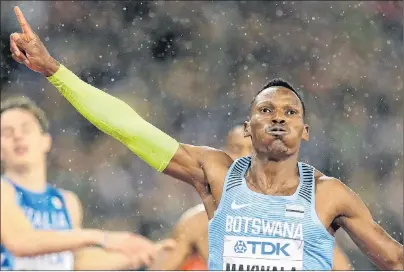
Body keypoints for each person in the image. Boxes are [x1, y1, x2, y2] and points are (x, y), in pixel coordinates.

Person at [9, 6, 403, 271]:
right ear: (248, 129)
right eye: (266, 110)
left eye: (291, 112)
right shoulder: (216, 175)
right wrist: (56, 72)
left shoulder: (329, 195)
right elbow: (129, 128)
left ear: (306, 130)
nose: (279, 118)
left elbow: (394, 259)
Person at [0, 96, 175, 270]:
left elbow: (76, 261)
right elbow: (20, 242)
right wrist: (101, 238)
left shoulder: (67, 201)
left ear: (46, 141)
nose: (17, 136)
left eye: (26, 129)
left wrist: (140, 254)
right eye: (7, 132)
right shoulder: (3, 191)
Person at [151, 126, 351, 271]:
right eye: (237, 149)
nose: (245, 157)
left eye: (254, 150)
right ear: (223, 154)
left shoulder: (299, 219)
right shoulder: (196, 224)